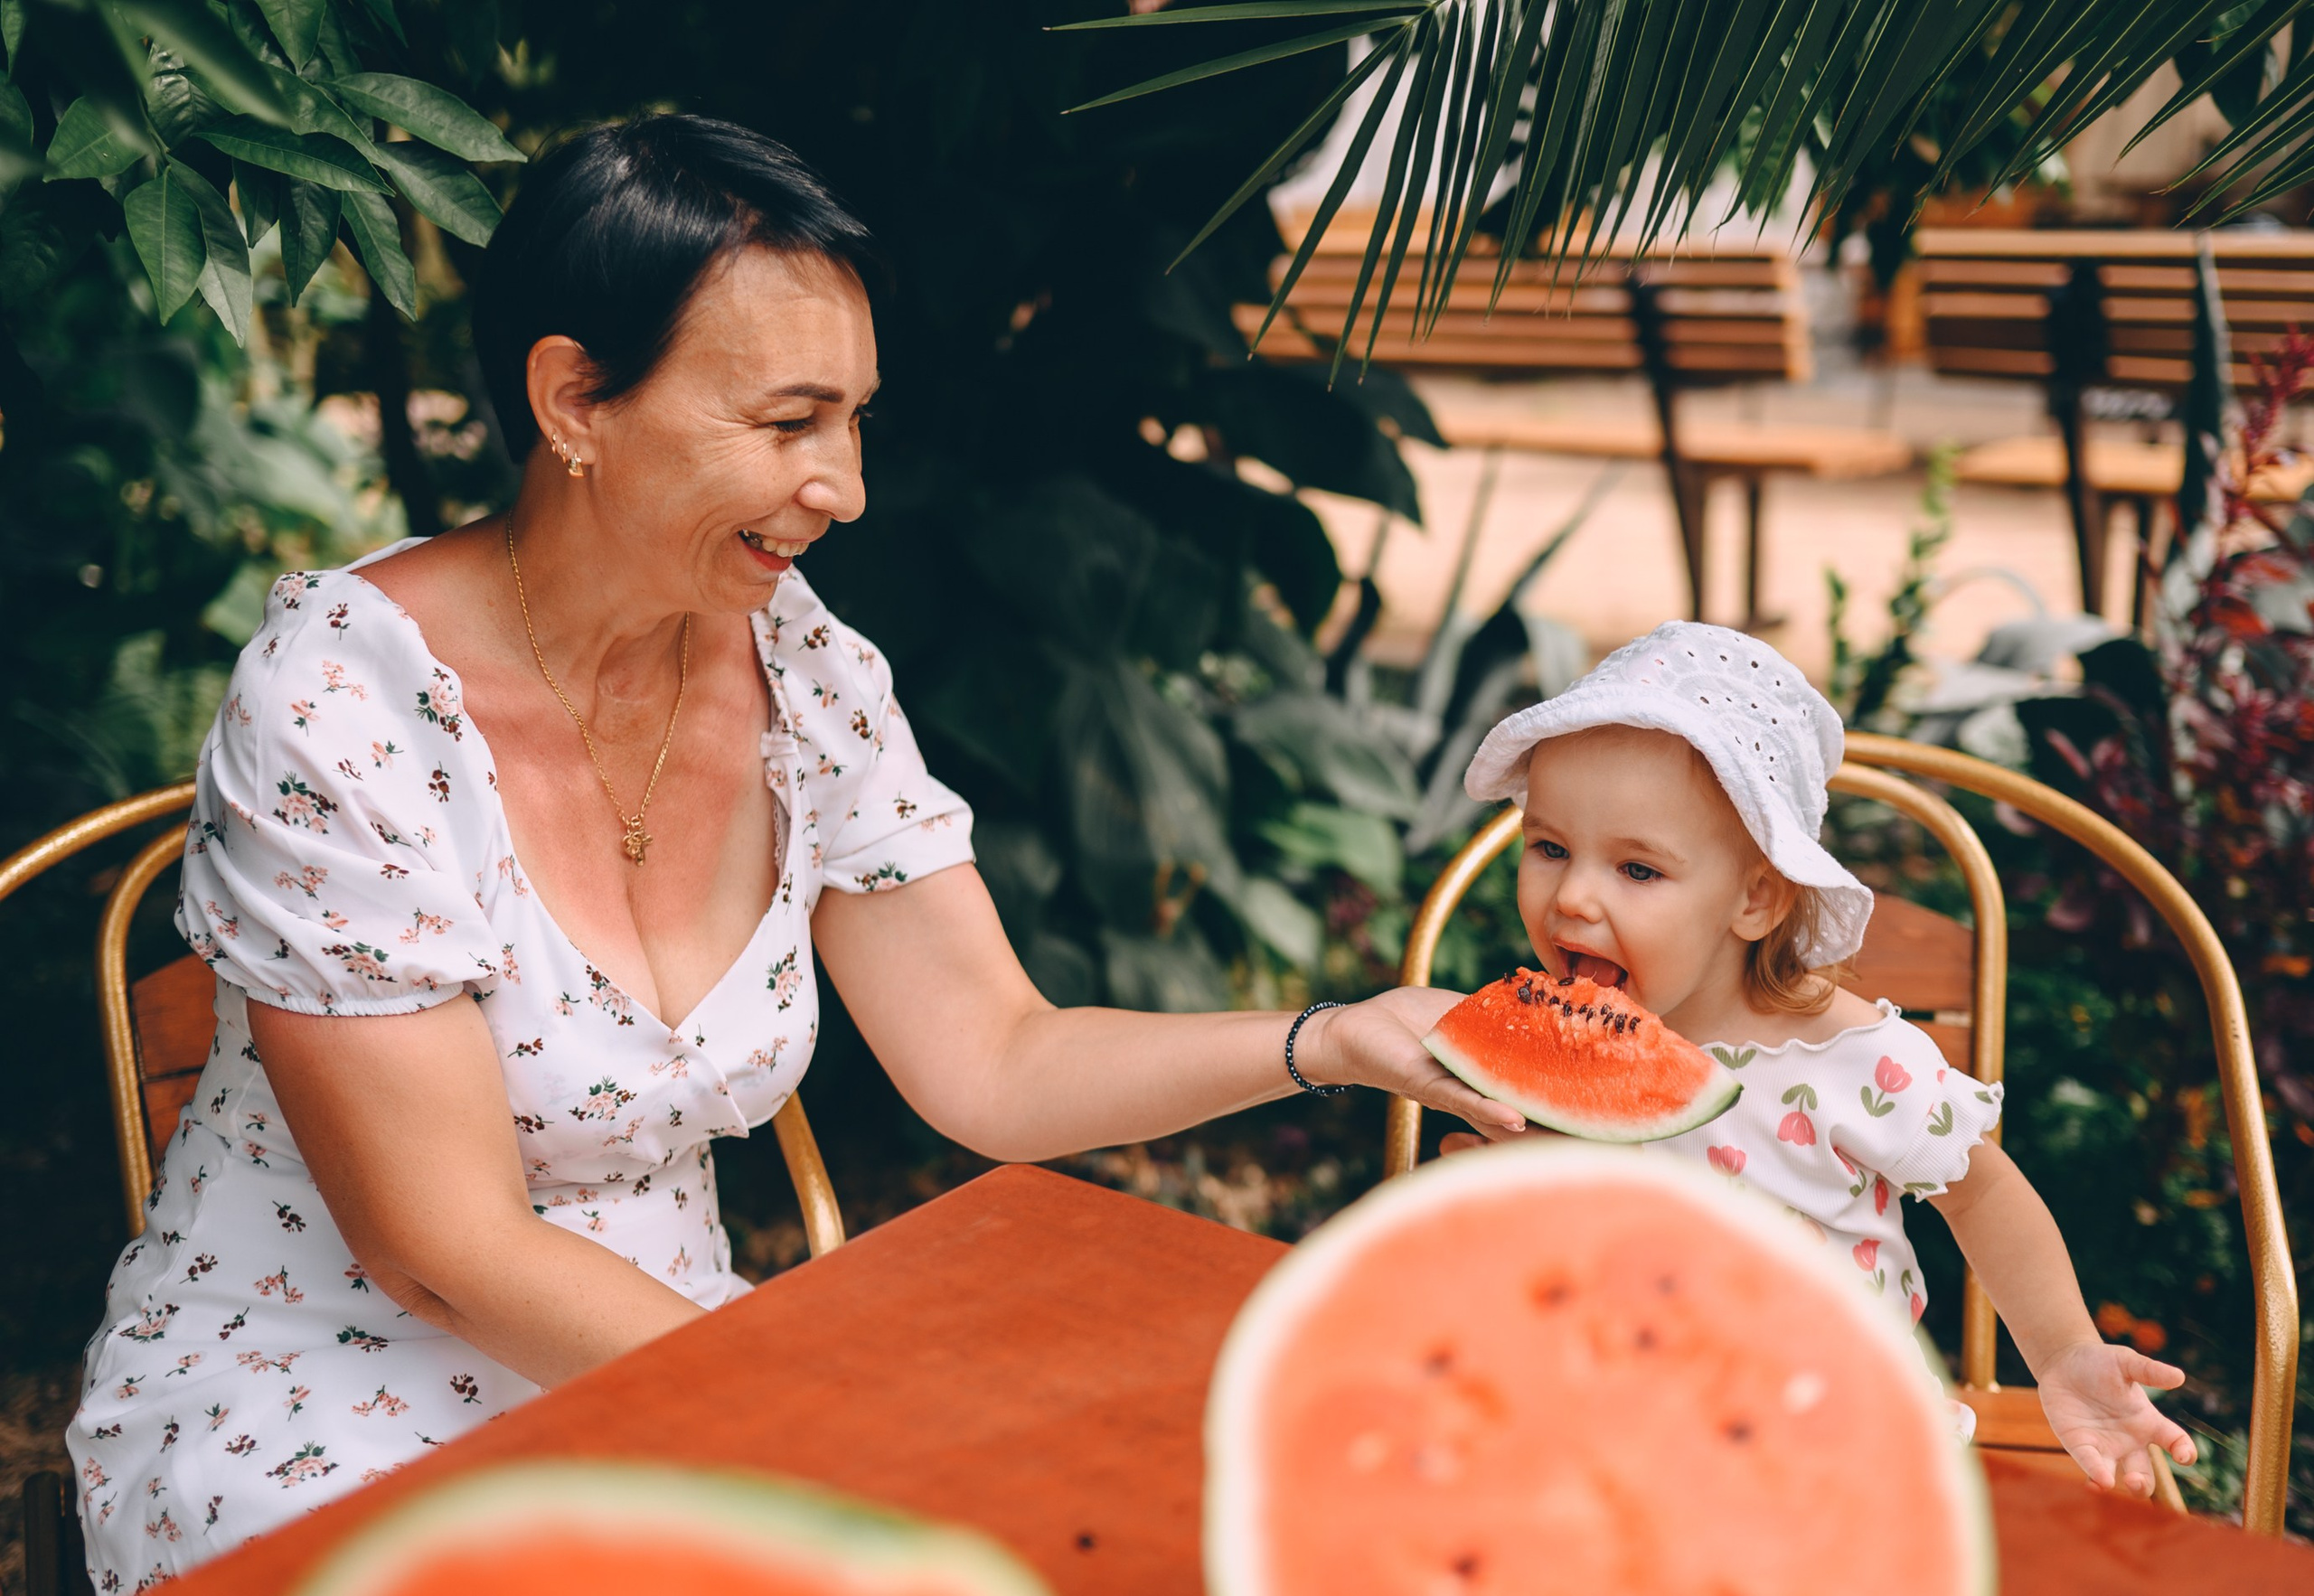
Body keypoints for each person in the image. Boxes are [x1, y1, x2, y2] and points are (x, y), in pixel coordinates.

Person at [67, 114, 1523, 1585]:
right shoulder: (340, 700)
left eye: (855, 421)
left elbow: (998, 1058)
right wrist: (829, 1424)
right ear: (575, 398)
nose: (848, 486)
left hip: (685, 1349)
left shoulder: (805, 673)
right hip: (323, 1398)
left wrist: (1335, 1038)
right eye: (785, 424)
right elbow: (442, 1248)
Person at [1450, 621, 2196, 1498]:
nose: (1572, 896)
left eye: (1638, 869)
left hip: (1839, 1442)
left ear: (1756, 896)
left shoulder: (1854, 1063)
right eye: (1548, 848)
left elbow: (1982, 1189)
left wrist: (2064, 1352)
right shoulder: (1552, 1045)